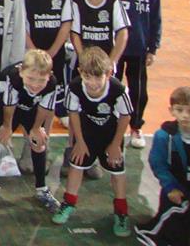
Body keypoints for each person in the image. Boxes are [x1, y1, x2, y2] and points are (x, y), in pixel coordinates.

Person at [51, 47, 133, 237]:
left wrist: (115, 145)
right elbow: (73, 114)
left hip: (111, 134)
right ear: (80, 72)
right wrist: (79, 142)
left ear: (109, 74)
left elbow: (125, 116)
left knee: (117, 170)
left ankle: (121, 212)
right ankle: (68, 203)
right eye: (88, 77)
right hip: (87, 132)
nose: (93, 83)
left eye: (98, 78)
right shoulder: (75, 87)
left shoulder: (118, 90)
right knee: (76, 165)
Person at [0, 49, 60, 213]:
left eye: (41, 80)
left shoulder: (52, 83)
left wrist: (36, 128)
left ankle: (41, 188)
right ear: (21, 71)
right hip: (9, 108)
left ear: (49, 76)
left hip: (32, 108)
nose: (35, 84)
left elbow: (44, 108)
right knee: (1, 141)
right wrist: (7, 127)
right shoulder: (12, 77)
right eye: (31, 78)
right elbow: (8, 105)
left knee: (38, 143)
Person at [107, 0, 161, 149]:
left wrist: (152, 48)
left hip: (139, 49)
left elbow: (156, 20)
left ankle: (136, 126)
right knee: (113, 87)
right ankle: (111, 124)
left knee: (138, 91)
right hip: (116, 50)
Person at [135, 87, 190, 245]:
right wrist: (170, 187)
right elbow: (158, 164)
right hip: (176, 187)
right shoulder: (164, 136)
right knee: (173, 230)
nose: (185, 115)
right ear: (171, 111)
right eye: (179, 110)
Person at [18, 0, 73, 117]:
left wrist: (52, 52)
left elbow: (66, 22)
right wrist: (34, 51)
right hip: (31, 49)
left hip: (56, 50)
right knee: (32, 84)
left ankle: (59, 111)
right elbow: (20, 23)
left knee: (54, 86)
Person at [70, 0, 129, 65]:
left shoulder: (113, 1)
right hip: (83, 63)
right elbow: (74, 34)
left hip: (106, 60)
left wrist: (112, 62)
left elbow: (123, 32)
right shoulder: (77, 1)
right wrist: (83, 59)